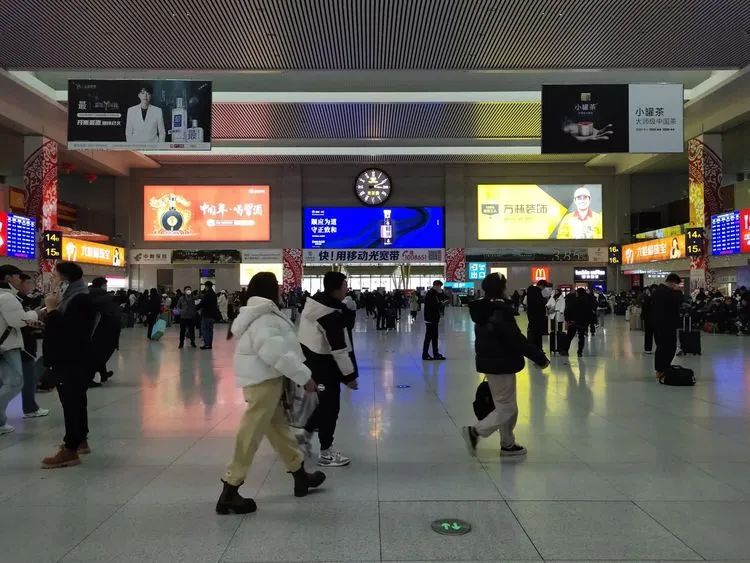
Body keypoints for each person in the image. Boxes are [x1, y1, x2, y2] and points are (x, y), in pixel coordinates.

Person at [217, 273, 325, 515]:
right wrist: (304, 376)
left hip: (264, 379)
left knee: (277, 429)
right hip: (263, 380)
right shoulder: (264, 317)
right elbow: (274, 353)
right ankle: (230, 489)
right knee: (251, 432)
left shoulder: (257, 313)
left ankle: (299, 474)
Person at [462, 273, 549, 457]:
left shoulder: (484, 309)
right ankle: (476, 432)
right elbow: (516, 340)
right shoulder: (499, 311)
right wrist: (539, 357)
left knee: (509, 406)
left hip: (494, 362)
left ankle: (508, 444)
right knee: (506, 407)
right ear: (500, 288)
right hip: (500, 363)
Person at [297, 272, 358, 467]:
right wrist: (349, 376)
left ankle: (302, 435)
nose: (347, 288)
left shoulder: (317, 303)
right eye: (345, 285)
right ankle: (326, 452)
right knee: (330, 408)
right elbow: (339, 348)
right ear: (338, 287)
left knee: (323, 405)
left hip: (313, 362)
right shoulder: (328, 315)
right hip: (323, 366)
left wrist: (350, 310)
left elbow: (345, 325)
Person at [41, 262, 97, 468]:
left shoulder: (78, 300)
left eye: (55, 276)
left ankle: (70, 449)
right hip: (75, 358)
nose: (53, 280)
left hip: (71, 359)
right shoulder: (74, 297)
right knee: (76, 399)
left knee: (71, 401)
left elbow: (71, 334)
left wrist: (52, 310)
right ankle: (80, 440)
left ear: (65, 280)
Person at [0, 265, 40, 435]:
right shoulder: (7, 298)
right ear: (9, 278)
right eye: (17, 277)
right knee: (15, 382)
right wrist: (33, 314)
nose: (20, 279)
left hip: (3, 345)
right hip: (8, 345)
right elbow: (19, 321)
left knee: (8, 381)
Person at [16, 274, 48, 419]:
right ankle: (30, 408)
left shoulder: (21, 300)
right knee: (29, 377)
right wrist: (36, 316)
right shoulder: (15, 301)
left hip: (21, 343)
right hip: (23, 345)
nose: (30, 286)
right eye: (27, 282)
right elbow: (21, 322)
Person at [650, 273, 684, 377]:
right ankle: (663, 368)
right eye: (677, 284)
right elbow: (679, 300)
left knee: (661, 347)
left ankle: (660, 369)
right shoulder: (667, 292)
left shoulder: (657, 292)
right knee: (668, 347)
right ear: (673, 283)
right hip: (667, 324)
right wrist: (678, 291)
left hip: (658, 323)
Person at [88, 277, 121, 386]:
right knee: (100, 352)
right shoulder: (102, 296)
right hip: (101, 329)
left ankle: (103, 375)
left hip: (98, 329)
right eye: (105, 285)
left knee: (99, 351)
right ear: (102, 285)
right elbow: (106, 312)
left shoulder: (91, 294)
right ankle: (89, 378)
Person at [563, 288, 594, 357]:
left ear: (578, 293)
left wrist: (567, 319)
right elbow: (590, 313)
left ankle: (565, 350)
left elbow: (568, 310)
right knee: (581, 337)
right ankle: (580, 352)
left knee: (569, 336)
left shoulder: (573, 301)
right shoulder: (587, 302)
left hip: (573, 322)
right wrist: (588, 322)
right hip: (582, 323)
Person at [422, 280, 449, 360]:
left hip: (433, 319)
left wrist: (441, 293)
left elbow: (446, 297)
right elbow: (434, 306)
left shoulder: (435, 293)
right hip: (430, 319)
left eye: (440, 286)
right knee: (429, 337)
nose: (440, 288)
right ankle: (425, 354)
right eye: (439, 286)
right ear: (435, 286)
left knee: (434, 337)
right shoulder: (431, 294)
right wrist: (442, 304)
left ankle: (435, 354)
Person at [525, 280, 550, 350]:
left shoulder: (530, 291)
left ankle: (534, 348)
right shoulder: (537, 292)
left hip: (531, 315)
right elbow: (539, 304)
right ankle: (539, 348)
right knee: (538, 334)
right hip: (538, 317)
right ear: (541, 285)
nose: (544, 288)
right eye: (544, 286)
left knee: (533, 332)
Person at [197, 281, 220, 349]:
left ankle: (206, 344)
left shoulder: (207, 294)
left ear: (207, 286)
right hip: (212, 315)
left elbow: (203, 303)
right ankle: (209, 344)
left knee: (205, 329)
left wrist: (196, 307)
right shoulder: (214, 294)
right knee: (210, 330)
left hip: (206, 315)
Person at [641, 286, 655, 354]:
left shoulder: (646, 298)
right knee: (649, 334)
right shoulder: (650, 298)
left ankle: (648, 349)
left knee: (648, 334)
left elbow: (643, 308)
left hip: (648, 319)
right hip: (651, 319)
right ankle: (648, 349)